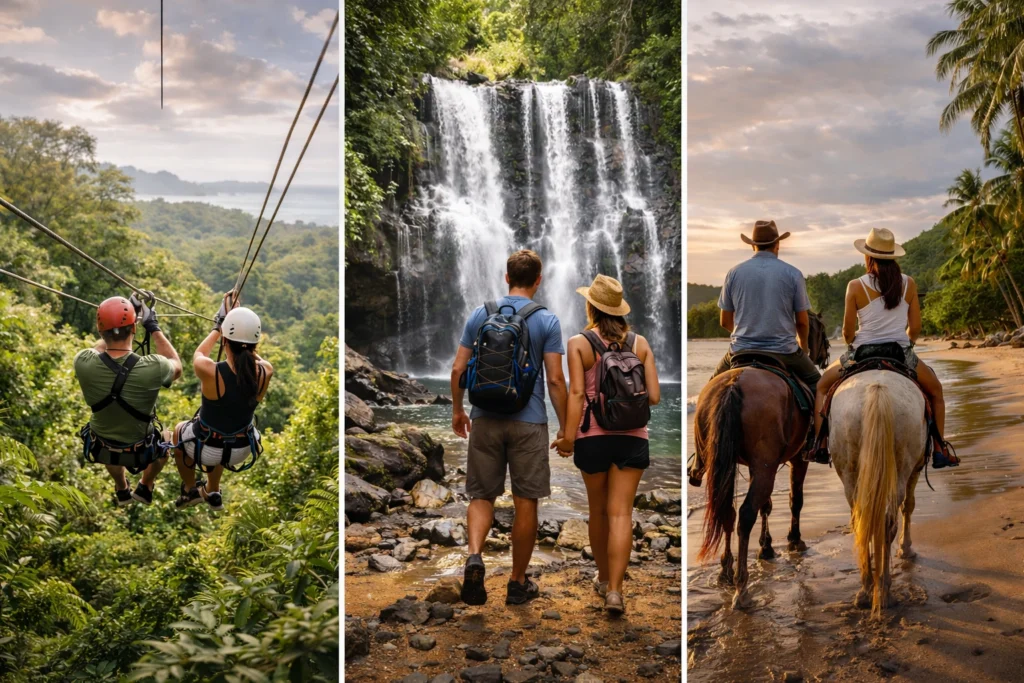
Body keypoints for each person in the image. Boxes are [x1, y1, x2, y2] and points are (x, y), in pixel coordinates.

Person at [450, 249, 568, 606]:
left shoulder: (480, 314)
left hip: (484, 416)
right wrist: (566, 429)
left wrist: (458, 411)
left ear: (505, 277)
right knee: (525, 501)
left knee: (481, 495)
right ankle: (517, 583)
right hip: (529, 422)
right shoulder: (547, 320)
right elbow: (556, 381)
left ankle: (474, 557)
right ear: (538, 280)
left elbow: (458, 370)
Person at [550, 274, 660, 615]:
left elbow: (578, 394)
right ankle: (615, 591)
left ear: (591, 306)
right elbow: (654, 397)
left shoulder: (578, 343)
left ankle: (601, 576)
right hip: (633, 438)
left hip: (593, 438)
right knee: (622, 514)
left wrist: (568, 437)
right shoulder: (640, 343)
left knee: (597, 511)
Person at [811, 228, 957, 468]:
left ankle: (821, 445)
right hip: (899, 351)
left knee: (822, 386)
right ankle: (940, 448)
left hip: (862, 352)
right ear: (892, 256)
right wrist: (905, 344)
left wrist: (853, 344)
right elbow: (916, 327)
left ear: (868, 257)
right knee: (936, 392)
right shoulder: (909, 284)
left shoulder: (855, 286)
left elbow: (848, 333)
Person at [688, 220, 820, 484]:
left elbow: (726, 321)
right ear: (777, 244)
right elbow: (803, 322)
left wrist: (746, 331)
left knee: (708, 393)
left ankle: (700, 459)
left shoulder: (734, 273)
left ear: (752, 244)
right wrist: (803, 347)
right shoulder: (792, 273)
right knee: (819, 386)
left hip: (740, 350)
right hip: (783, 351)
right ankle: (817, 443)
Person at [74, 294, 182, 506]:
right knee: (168, 437)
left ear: (100, 330)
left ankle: (121, 487)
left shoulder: (82, 361)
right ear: (134, 329)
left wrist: (122, 320)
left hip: (101, 445)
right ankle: (145, 484)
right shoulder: (154, 367)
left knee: (110, 443)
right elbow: (176, 364)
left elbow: (100, 349)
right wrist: (153, 327)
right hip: (141, 449)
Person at [170, 292, 274, 510]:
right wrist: (236, 326)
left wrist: (219, 325)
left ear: (226, 339)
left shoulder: (210, 371)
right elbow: (251, 355)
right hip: (242, 448)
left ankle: (191, 489)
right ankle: (213, 490)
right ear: (255, 344)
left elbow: (200, 353)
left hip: (206, 447)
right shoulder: (266, 372)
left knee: (179, 431)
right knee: (220, 435)